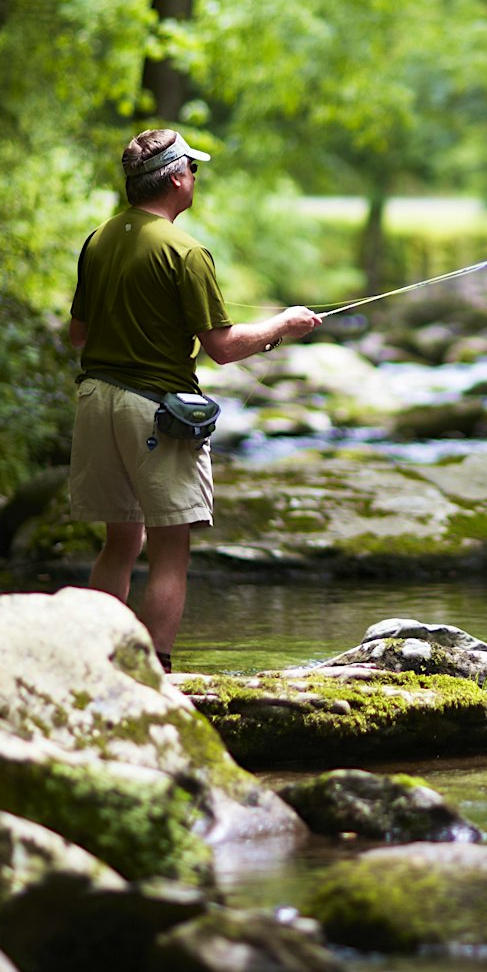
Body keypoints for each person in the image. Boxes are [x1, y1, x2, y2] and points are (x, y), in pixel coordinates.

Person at [68, 128, 321, 672]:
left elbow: (78, 334)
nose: (195, 180)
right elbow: (223, 349)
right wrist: (284, 325)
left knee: (119, 543)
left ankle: (92, 664)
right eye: (195, 171)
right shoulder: (186, 251)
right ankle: (154, 673)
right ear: (178, 177)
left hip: (95, 402)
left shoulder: (99, 239)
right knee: (170, 551)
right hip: (155, 411)